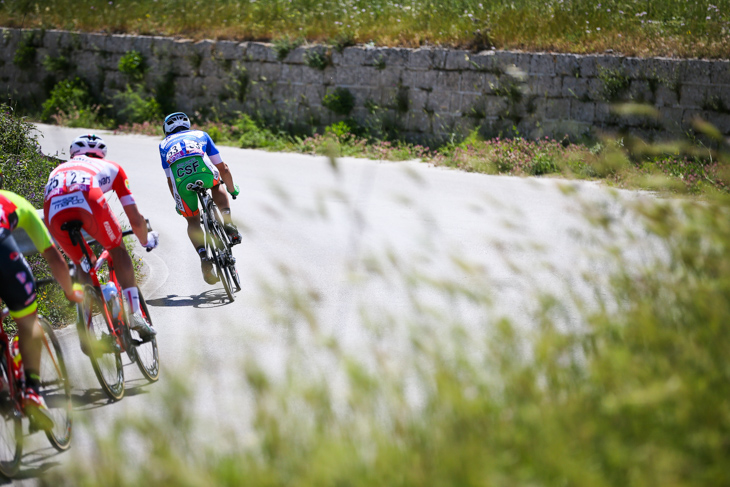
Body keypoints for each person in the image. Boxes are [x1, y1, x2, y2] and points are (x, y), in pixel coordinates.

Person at [43, 134, 158, 339]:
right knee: (117, 249)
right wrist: (146, 240)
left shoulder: (57, 169)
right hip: (88, 201)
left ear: (73, 154)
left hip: (53, 211)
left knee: (82, 262)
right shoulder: (112, 167)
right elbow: (135, 218)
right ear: (101, 155)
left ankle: (86, 323)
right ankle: (135, 314)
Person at [0, 184, 83, 431]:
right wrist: (70, 290)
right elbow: (52, 254)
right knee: (27, 322)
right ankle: (33, 392)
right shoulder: (11, 199)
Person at [158, 112, 241, 284]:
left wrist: (178, 201)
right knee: (217, 184)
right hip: (204, 174)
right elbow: (223, 168)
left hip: (182, 184)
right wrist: (232, 190)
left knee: (193, 222)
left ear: (166, 130)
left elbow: (170, 180)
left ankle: (204, 258)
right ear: (187, 124)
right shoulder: (201, 135)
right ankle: (228, 223)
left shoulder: (163, 144)